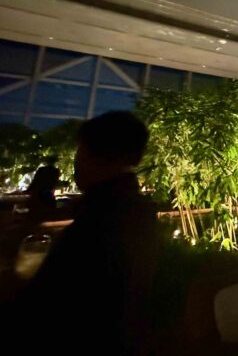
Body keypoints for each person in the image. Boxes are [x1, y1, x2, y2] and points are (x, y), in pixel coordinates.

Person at [12, 111, 160, 355]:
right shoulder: (138, 210)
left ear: (89, 154)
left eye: (79, 151)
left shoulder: (101, 218)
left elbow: (45, 308)